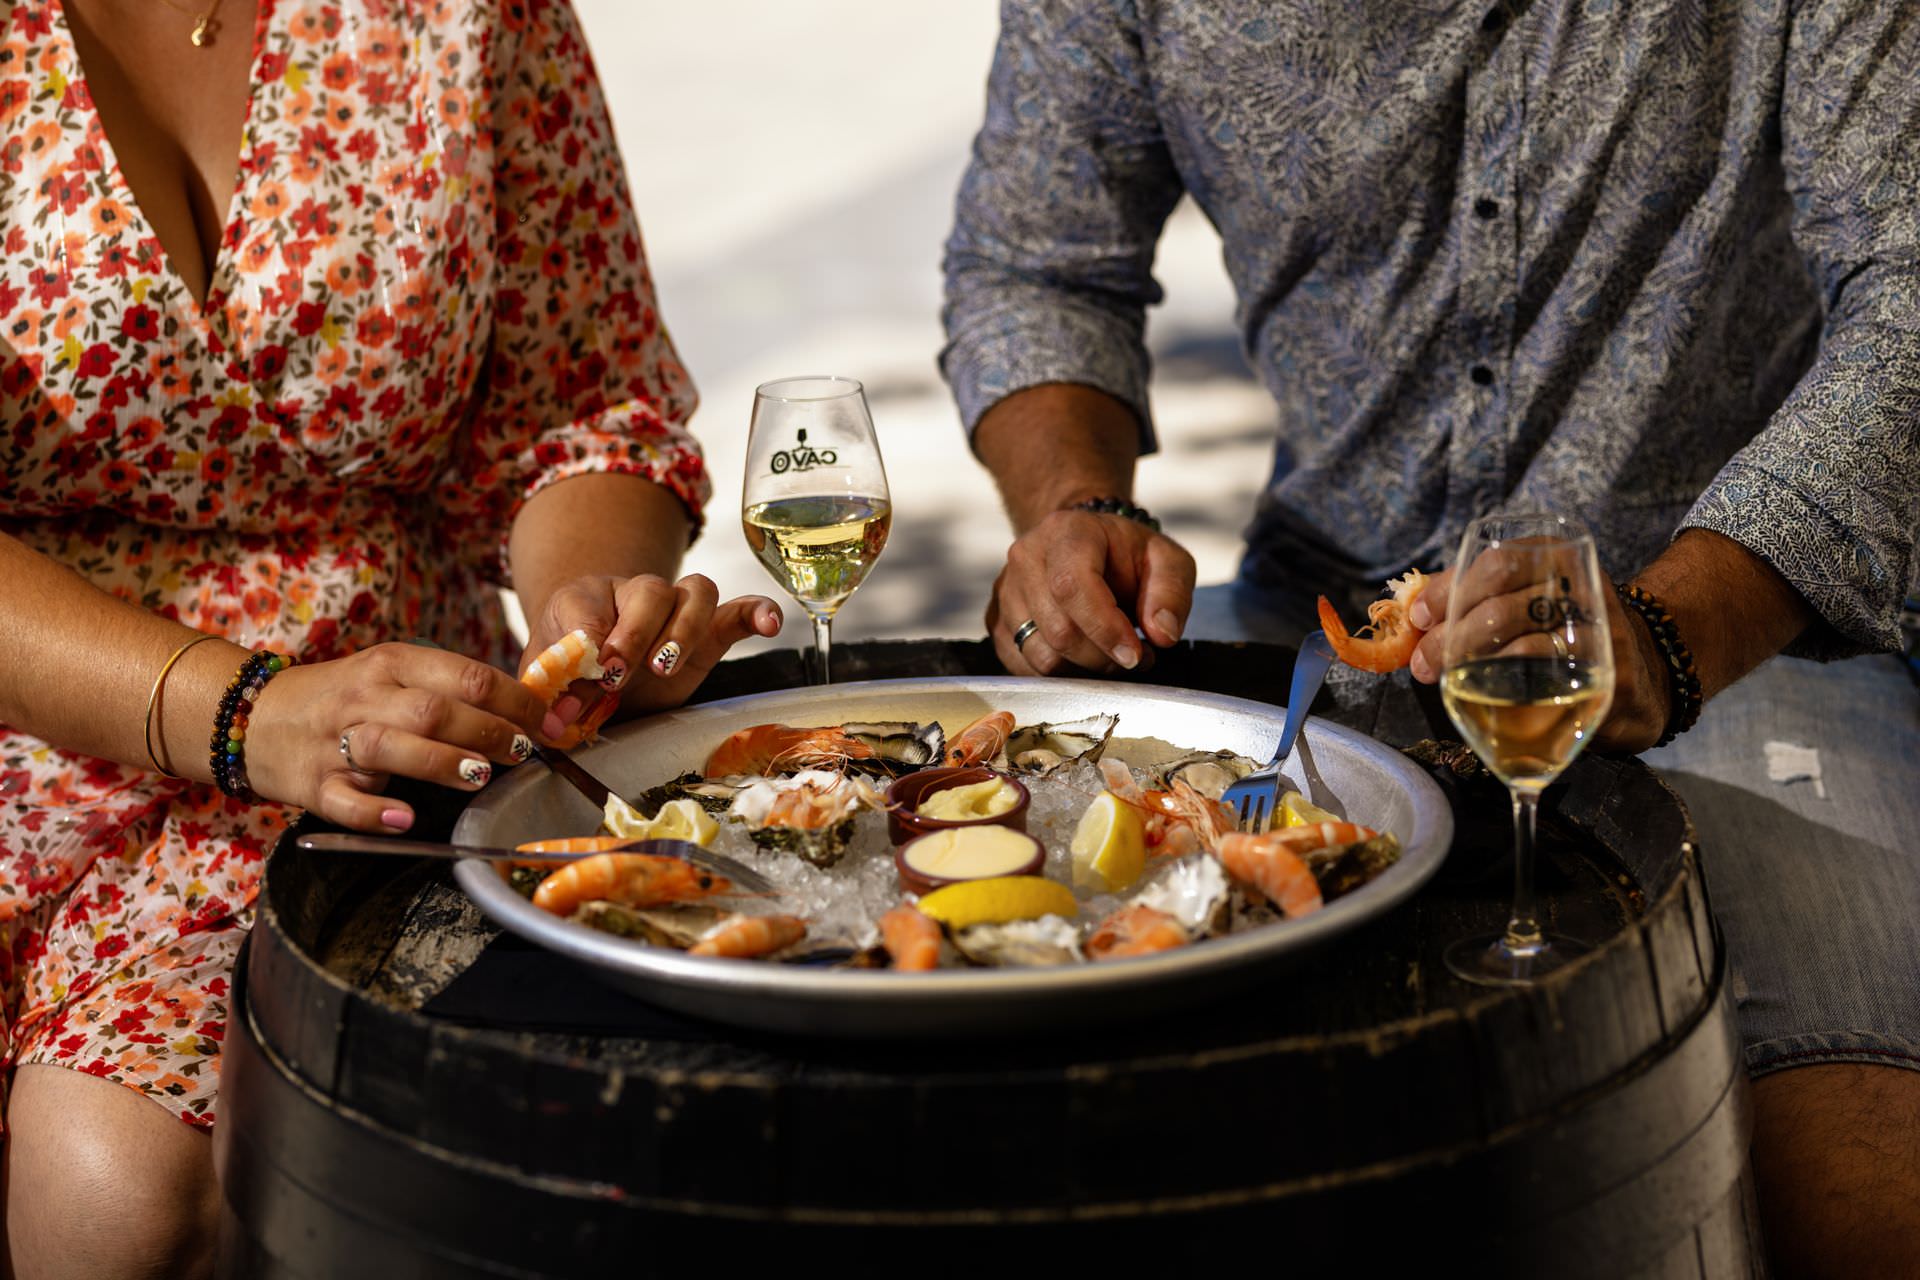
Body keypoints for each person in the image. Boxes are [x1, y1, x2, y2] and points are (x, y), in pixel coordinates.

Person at [941, 2, 1919, 1272]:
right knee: (1052, 1070)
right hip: (1314, 620)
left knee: (1854, 1184)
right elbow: (1036, 262)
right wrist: (1078, 506)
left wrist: (1676, 626)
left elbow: (1910, 283)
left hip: (1748, 643)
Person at [0, 1, 779, 1275]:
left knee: (123, 1197)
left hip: (381, 759)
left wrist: (591, 603)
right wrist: (248, 709)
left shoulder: (463, 16)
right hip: (43, 721)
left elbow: (580, 405)